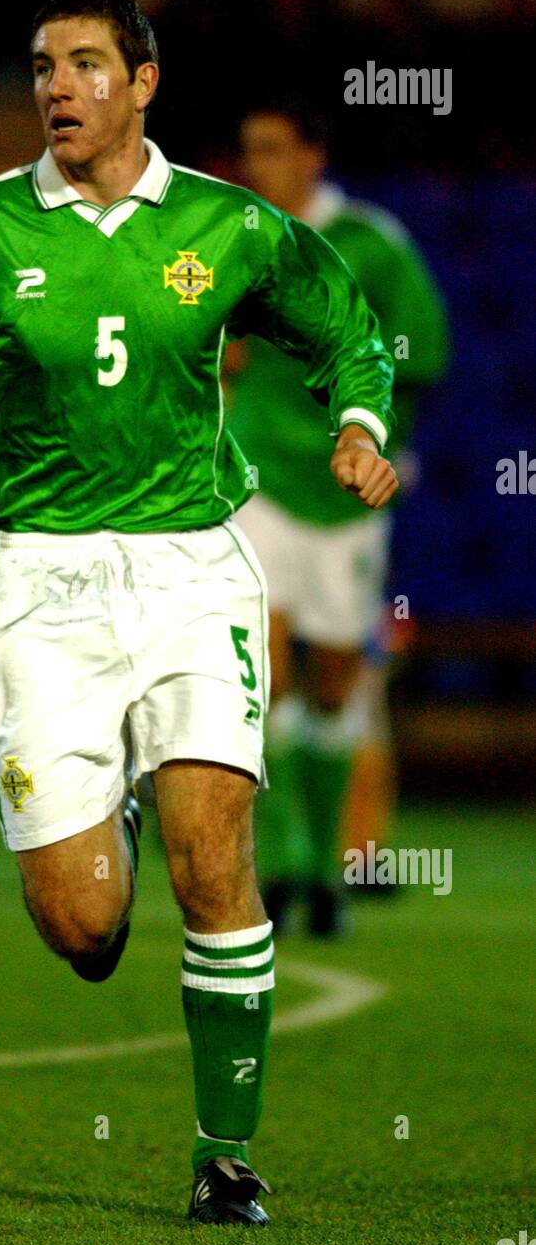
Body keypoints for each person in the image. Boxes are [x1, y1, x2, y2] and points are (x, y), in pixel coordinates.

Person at [0, 0, 397, 1227]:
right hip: (37, 586)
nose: (57, 87)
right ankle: (105, 828)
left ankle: (223, 1156)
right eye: (43, 66)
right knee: (86, 927)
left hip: (191, 569)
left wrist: (358, 420)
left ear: (141, 84)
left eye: (86, 65)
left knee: (221, 860)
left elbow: (343, 328)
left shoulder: (223, 223)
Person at [226, 105, 448, 934]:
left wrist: (376, 433)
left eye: (276, 148)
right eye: (252, 149)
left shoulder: (371, 244)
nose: (261, 164)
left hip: (344, 489)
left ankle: (324, 869)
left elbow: (422, 351)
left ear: (314, 155)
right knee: (269, 671)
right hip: (256, 480)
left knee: (333, 686)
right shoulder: (234, 239)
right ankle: (282, 869)